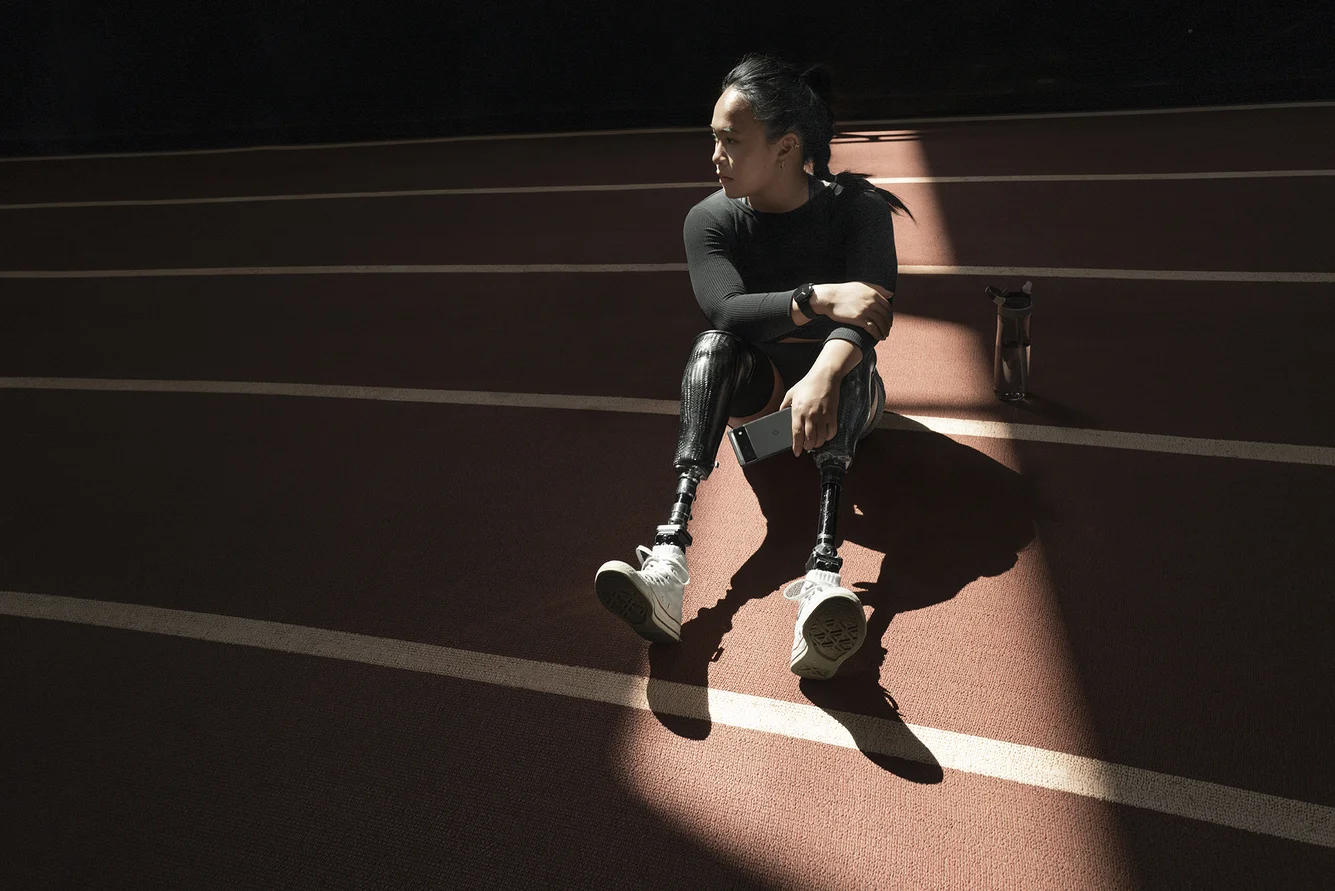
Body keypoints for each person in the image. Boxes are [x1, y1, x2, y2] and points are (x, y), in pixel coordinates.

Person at [595, 53, 912, 680]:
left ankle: (823, 577)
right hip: (761, 389)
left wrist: (823, 372)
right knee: (711, 346)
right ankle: (669, 561)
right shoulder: (710, 218)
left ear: (786, 146)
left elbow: (872, 312)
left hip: (850, 390)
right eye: (713, 138)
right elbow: (725, 310)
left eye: (730, 141)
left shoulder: (859, 209)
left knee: (840, 368)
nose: (715, 155)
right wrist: (813, 298)